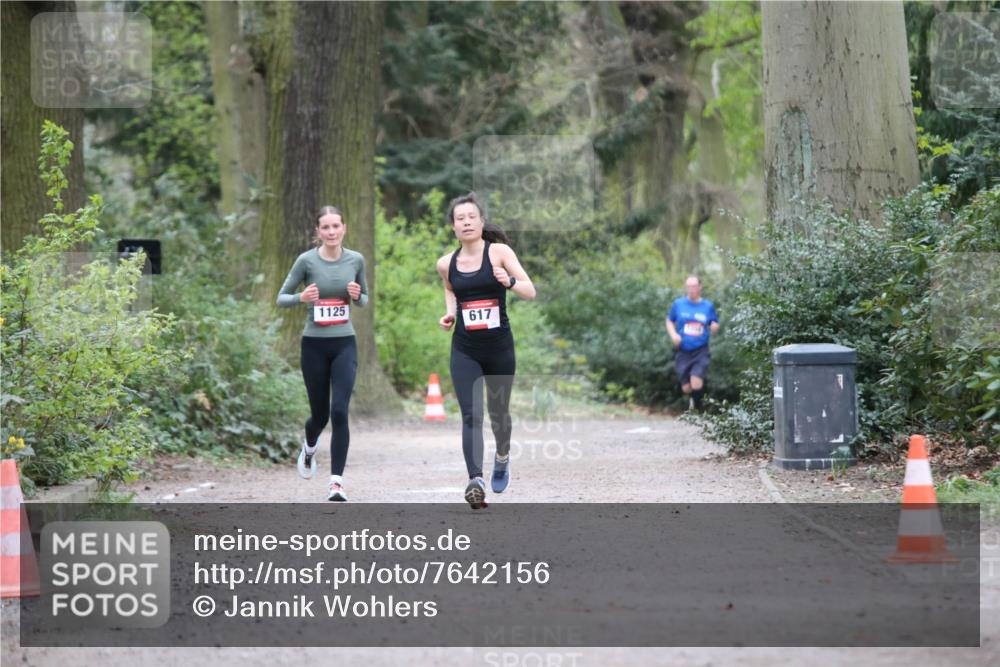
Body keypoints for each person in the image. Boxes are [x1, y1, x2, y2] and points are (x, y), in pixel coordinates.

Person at [436, 192, 536, 509]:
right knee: (471, 415)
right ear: (453, 226)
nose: (466, 222)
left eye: (471, 217)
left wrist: (507, 281)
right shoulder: (446, 263)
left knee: (498, 415)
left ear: (481, 221)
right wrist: (450, 313)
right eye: (459, 219)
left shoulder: (499, 253)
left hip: (499, 348)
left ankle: (502, 455)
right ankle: (475, 480)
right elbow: (451, 290)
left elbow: (530, 291)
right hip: (465, 349)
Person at [277, 205, 368, 501]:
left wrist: (357, 296)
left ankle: (336, 483)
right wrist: (301, 297)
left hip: (344, 344)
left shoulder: (356, 260)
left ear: (344, 229)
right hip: (314, 345)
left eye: (335, 226)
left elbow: (364, 299)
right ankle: (310, 446)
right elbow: (281, 298)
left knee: (340, 410)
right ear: (318, 232)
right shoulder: (306, 261)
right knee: (320, 415)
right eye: (325, 227)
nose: (331, 232)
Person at [666, 275, 719, 411]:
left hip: (701, 350)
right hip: (683, 350)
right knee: (686, 387)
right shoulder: (679, 304)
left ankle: (698, 410)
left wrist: (714, 327)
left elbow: (714, 323)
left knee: (696, 381)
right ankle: (694, 401)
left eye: (694, 286)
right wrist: (674, 335)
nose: (691, 289)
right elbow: (669, 320)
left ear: (700, 287)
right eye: (688, 286)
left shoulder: (707, 306)